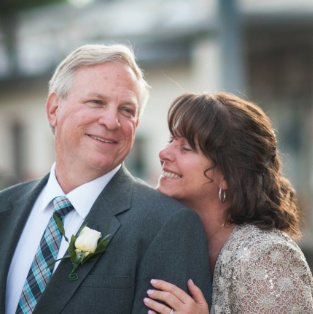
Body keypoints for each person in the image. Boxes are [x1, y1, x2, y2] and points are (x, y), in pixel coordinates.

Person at [0, 45, 212, 314]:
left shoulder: (167, 225)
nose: (112, 121)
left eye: (126, 110)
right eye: (96, 102)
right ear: (54, 109)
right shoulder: (4, 208)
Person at [144, 92, 313, 313]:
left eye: (185, 148)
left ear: (227, 175)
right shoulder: (178, 241)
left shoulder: (267, 257)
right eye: (170, 141)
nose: (163, 153)